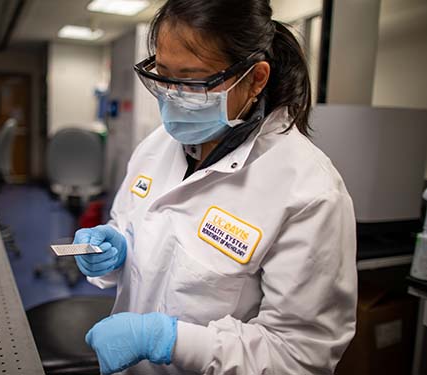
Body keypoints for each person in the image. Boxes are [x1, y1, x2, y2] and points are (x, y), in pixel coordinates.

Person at [73, 0, 357, 374]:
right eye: (162, 75)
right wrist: (115, 247)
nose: (173, 95)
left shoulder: (309, 192)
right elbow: (133, 227)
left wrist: (168, 340)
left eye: (192, 81)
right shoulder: (156, 145)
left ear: (255, 78)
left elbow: (298, 356)